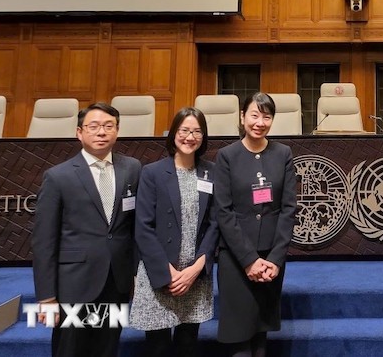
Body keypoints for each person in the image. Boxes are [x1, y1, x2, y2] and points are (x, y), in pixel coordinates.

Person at [32, 102, 142, 357]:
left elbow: (135, 227)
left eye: (108, 126)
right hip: (74, 282)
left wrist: (136, 274)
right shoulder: (58, 176)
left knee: (107, 347)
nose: (101, 132)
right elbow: (44, 241)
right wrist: (46, 297)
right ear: (79, 133)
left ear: (117, 131)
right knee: (70, 349)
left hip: (117, 280)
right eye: (94, 126)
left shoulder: (132, 168)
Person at [130, 107, 219, 357]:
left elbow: (215, 224)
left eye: (197, 131)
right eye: (184, 130)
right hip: (159, 273)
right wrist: (168, 273)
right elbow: (143, 226)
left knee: (187, 344)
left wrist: (196, 268)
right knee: (157, 346)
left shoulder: (212, 172)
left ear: (203, 136)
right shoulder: (152, 172)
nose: (190, 137)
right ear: (173, 134)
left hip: (194, 274)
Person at [215, 92, 297, 357]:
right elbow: (223, 211)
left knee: (261, 334)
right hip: (236, 258)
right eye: (254, 115)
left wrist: (276, 259)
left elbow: (288, 208)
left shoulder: (283, 154)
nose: (260, 122)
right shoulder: (227, 156)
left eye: (267, 116)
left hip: (270, 258)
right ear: (242, 117)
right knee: (239, 336)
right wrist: (249, 260)